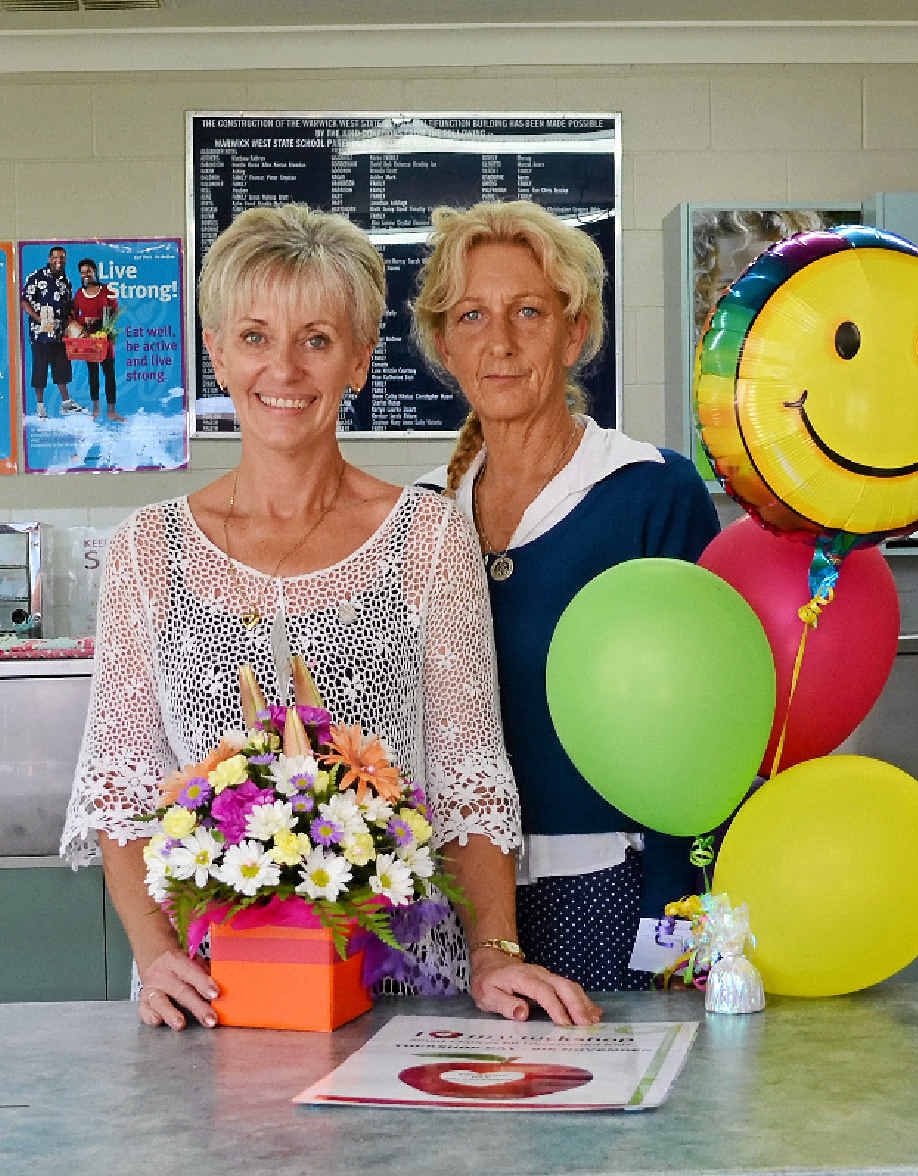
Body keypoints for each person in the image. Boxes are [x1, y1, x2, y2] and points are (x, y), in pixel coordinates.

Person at [60, 203, 598, 1031]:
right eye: (255, 337)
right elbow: (122, 792)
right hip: (210, 999)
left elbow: (469, 780)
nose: (284, 368)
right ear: (216, 354)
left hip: (403, 993)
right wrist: (157, 955)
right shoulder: (147, 550)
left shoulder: (427, 537)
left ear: (357, 360)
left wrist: (495, 952)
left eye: (315, 339)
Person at [413, 200, 721, 991]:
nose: (500, 342)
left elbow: (702, 727)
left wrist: (675, 925)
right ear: (444, 345)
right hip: (449, 903)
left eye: (528, 312)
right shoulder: (420, 514)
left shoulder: (649, 490)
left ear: (573, 333)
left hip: (610, 888)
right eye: (471, 316)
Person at [20, 245, 87, 419]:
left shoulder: (66, 282)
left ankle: (66, 404)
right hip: (40, 333)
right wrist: (38, 318)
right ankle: (40, 406)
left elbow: (69, 308)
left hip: (59, 334)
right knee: (40, 368)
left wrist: (75, 326)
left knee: (62, 368)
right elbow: (24, 301)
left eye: (62, 258)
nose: (59, 260)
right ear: (50, 259)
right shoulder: (36, 277)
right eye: (56, 257)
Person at [73, 257, 124, 422]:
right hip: (89, 340)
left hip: (105, 339)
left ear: (95, 271)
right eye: (82, 272)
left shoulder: (107, 290)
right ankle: (95, 409)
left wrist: (100, 322)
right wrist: (84, 321)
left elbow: (115, 312)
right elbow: (74, 315)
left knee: (109, 374)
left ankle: (111, 411)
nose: (86, 275)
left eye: (88, 271)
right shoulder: (79, 294)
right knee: (93, 373)